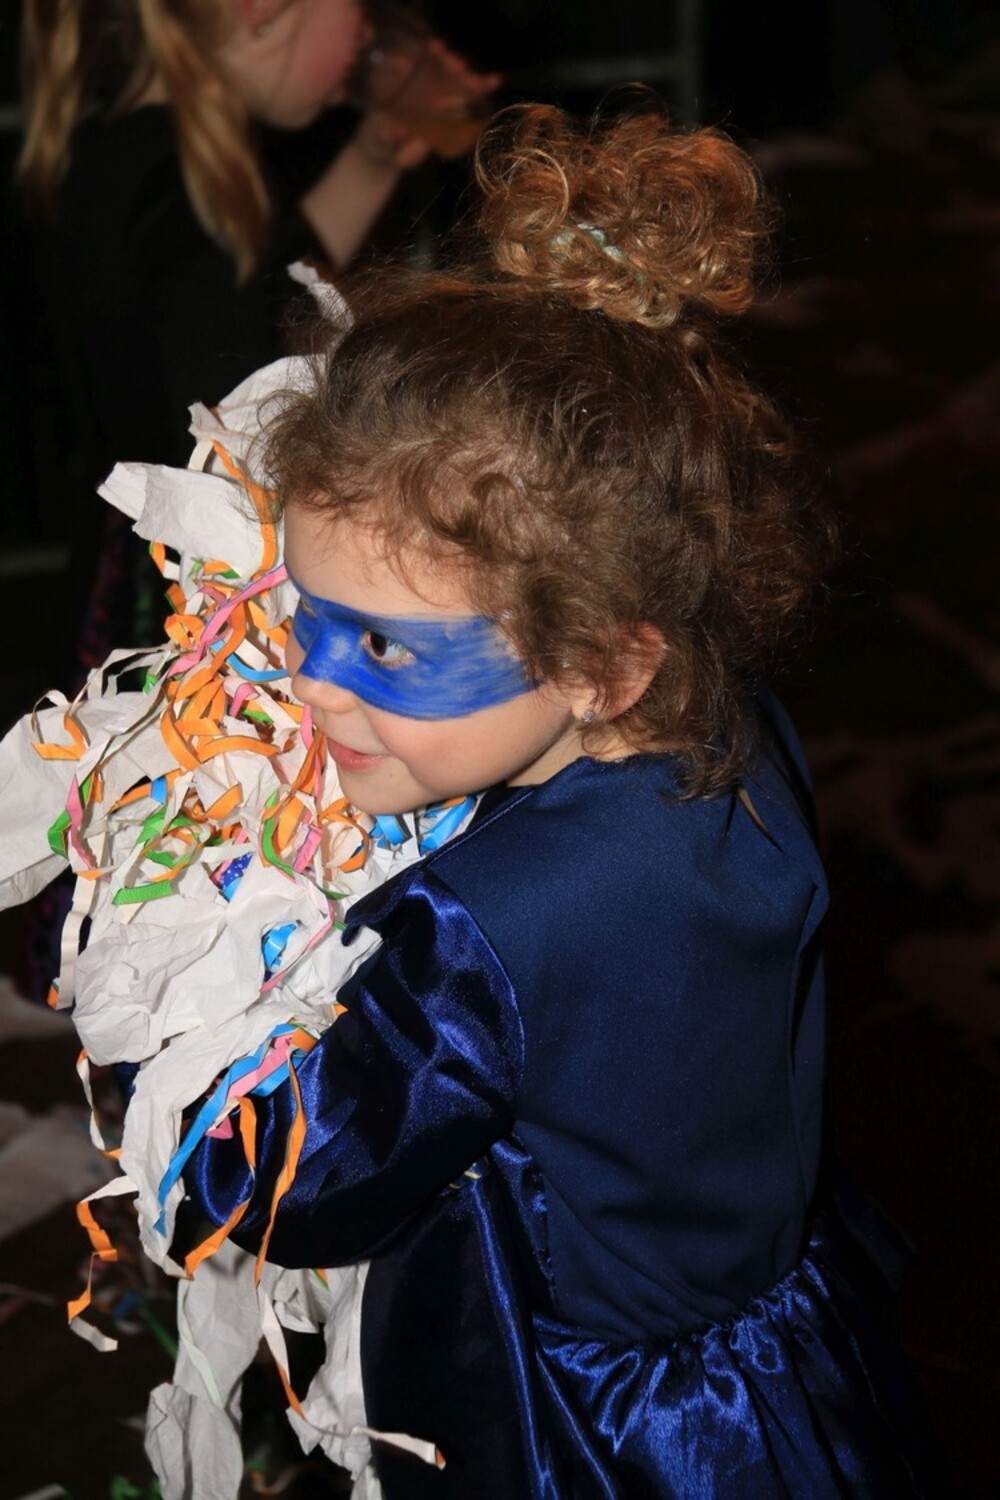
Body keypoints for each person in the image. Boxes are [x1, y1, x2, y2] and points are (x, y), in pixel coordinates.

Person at [174, 102, 934, 1495]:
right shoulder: (735, 727)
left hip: (609, 1427)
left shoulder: (480, 930)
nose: (307, 682)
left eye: (386, 648)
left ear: (599, 660)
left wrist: (165, 1009)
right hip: (779, 1339)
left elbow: (277, 1191)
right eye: (303, 613)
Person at [18, 0, 496, 658]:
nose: (368, 31)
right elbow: (249, 422)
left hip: (133, 570)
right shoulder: (181, 197)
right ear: (261, 8)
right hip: (206, 607)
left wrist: (373, 158)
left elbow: (268, 291)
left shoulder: (135, 156)